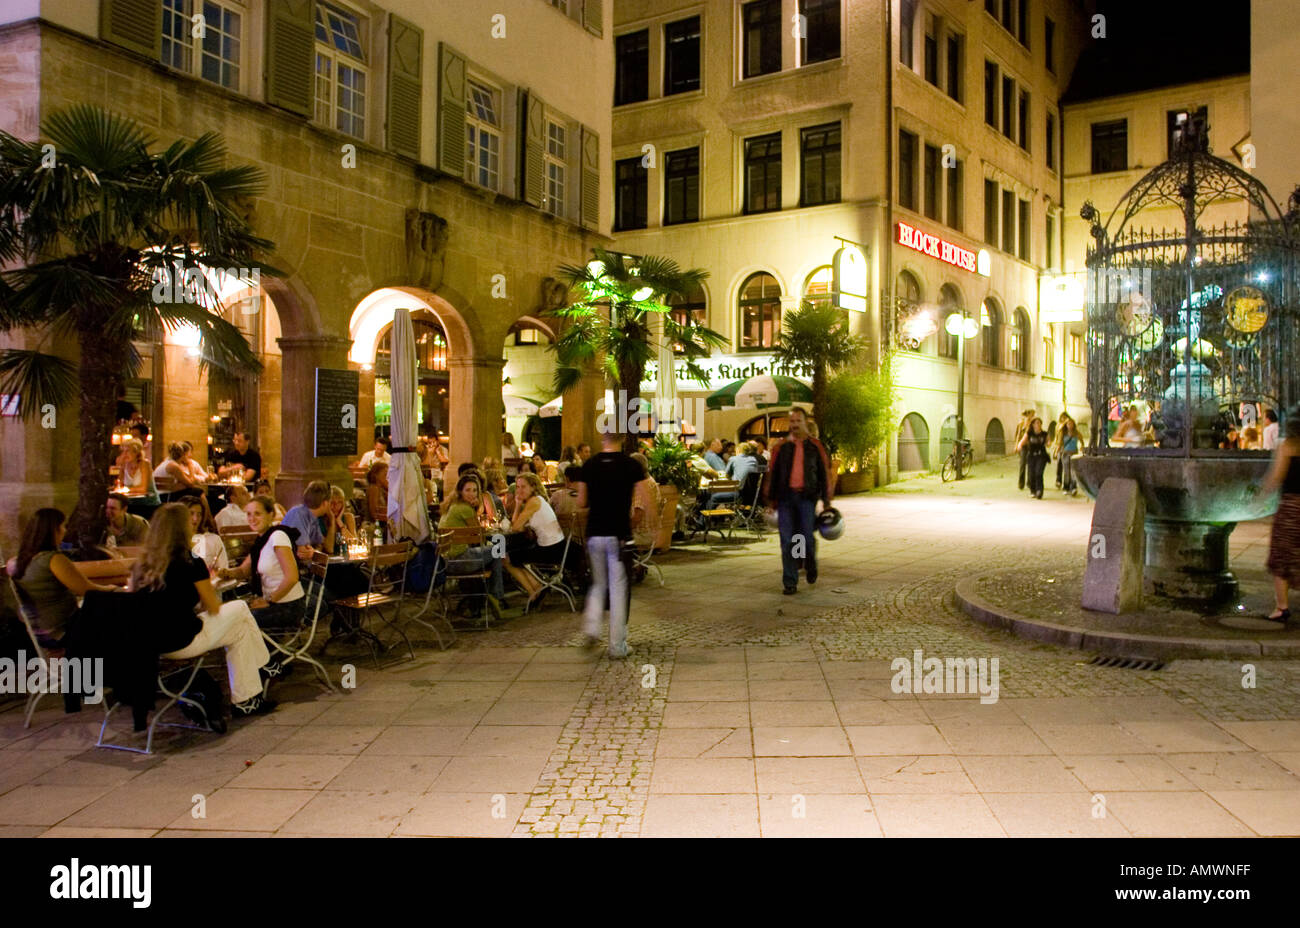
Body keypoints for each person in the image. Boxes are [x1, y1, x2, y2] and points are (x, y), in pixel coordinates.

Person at [131, 503, 275, 716]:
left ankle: (251, 693)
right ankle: (263, 668)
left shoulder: (143, 563)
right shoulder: (190, 560)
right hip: (182, 640)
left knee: (239, 629)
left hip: (150, 642)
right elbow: (213, 607)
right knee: (240, 609)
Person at [574, 428, 643, 658]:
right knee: (618, 588)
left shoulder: (590, 465)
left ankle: (592, 627)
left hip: (595, 532)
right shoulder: (630, 465)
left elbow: (581, 502)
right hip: (618, 534)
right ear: (623, 439)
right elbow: (644, 499)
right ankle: (617, 646)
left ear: (603, 437)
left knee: (598, 584)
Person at [8, 508, 117, 644]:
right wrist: (113, 589)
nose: (65, 531)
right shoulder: (54, 559)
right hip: (62, 630)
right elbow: (87, 590)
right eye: (62, 526)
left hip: (37, 632)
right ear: (52, 531)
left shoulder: (14, 562)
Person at [764, 407, 833, 595]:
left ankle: (810, 564)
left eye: (797, 421)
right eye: (791, 422)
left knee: (806, 538)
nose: (794, 425)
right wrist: (770, 500)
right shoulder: (781, 447)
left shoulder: (815, 446)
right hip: (786, 499)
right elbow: (773, 474)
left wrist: (827, 500)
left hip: (806, 499)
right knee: (788, 540)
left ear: (805, 422)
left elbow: (824, 473)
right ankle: (790, 581)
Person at [216, 495, 306, 629]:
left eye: (257, 514)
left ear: (271, 514)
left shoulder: (278, 536)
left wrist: (268, 600)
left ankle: (254, 649)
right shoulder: (262, 540)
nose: (252, 519)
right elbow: (243, 571)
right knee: (231, 614)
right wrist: (223, 573)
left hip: (289, 605)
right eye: (248, 514)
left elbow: (292, 577)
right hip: (275, 602)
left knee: (236, 622)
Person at [438, 474, 506, 604]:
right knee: (498, 550)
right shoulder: (464, 508)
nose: (472, 494)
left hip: (444, 562)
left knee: (493, 551)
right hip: (460, 560)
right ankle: (497, 597)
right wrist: (475, 508)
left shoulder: (451, 505)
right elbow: (478, 537)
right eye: (467, 490)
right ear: (460, 491)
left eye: (475, 490)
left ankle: (480, 595)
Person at [1258, 414, 1300, 622]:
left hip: (1292, 508)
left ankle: (1282, 607)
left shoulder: (1287, 446)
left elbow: (1276, 476)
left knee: (1281, 556)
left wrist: (1260, 495)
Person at [503, 473, 566, 606]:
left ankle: (535, 590)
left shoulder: (534, 502)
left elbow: (515, 527)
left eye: (523, 487)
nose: (519, 491)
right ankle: (536, 588)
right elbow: (518, 527)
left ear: (533, 487)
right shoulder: (537, 500)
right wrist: (518, 503)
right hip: (556, 546)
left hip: (551, 550)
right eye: (518, 487)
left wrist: (517, 505)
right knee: (512, 555)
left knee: (505, 558)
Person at [280, 480, 337, 562]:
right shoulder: (298, 514)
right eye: (330, 502)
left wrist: (332, 522)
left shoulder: (313, 517)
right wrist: (314, 551)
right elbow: (303, 553)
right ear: (325, 503)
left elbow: (328, 548)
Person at [186, 496, 229, 572]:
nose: (195, 518)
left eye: (199, 514)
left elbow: (224, 568)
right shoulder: (173, 541)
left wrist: (216, 573)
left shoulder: (213, 539)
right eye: (191, 513)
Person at [629, 452, 660, 550]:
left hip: (642, 534)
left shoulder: (641, 487)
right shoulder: (651, 481)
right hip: (652, 531)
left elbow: (637, 517)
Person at [117, 438, 159, 504]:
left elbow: (143, 488)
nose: (125, 454)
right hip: (131, 502)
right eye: (123, 451)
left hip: (148, 502)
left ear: (136, 452)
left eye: (127, 451)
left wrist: (125, 490)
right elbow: (119, 485)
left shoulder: (144, 464)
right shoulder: (124, 465)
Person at [1018, 417, 1050, 499]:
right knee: (1031, 473)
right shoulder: (1029, 434)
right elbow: (1022, 442)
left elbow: (1048, 442)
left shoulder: (1044, 434)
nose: (1038, 424)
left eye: (1039, 423)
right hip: (1031, 455)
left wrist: (1048, 443)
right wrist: (1019, 446)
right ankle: (1033, 490)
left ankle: (1039, 491)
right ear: (1033, 424)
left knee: (1038, 472)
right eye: (1036, 423)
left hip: (1041, 455)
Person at [328, 485, 359, 551]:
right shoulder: (321, 519)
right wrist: (332, 520)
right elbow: (329, 549)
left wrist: (340, 523)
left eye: (339, 502)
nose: (336, 506)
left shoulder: (348, 517)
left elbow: (354, 544)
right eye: (332, 503)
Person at [1059, 419, 1080, 496]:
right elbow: (1060, 443)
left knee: (1073, 472)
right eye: (1068, 424)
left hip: (1074, 454)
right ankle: (1066, 487)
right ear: (1066, 425)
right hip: (1065, 454)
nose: (1070, 425)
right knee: (1066, 472)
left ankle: (1073, 487)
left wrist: (1082, 447)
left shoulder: (1076, 433)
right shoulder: (1063, 433)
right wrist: (1057, 451)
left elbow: (1081, 440)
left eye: (1071, 423)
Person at [1014, 409, 1034, 490]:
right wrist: (1016, 445)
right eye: (1032, 414)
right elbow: (1018, 435)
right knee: (1022, 464)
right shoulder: (1021, 424)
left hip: (1031, 446)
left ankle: (1029, 482)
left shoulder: (1033, 424)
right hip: (1023, 446)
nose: (1033, 416)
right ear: (1027, 414)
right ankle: (1021, 483)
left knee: (1030, 464)